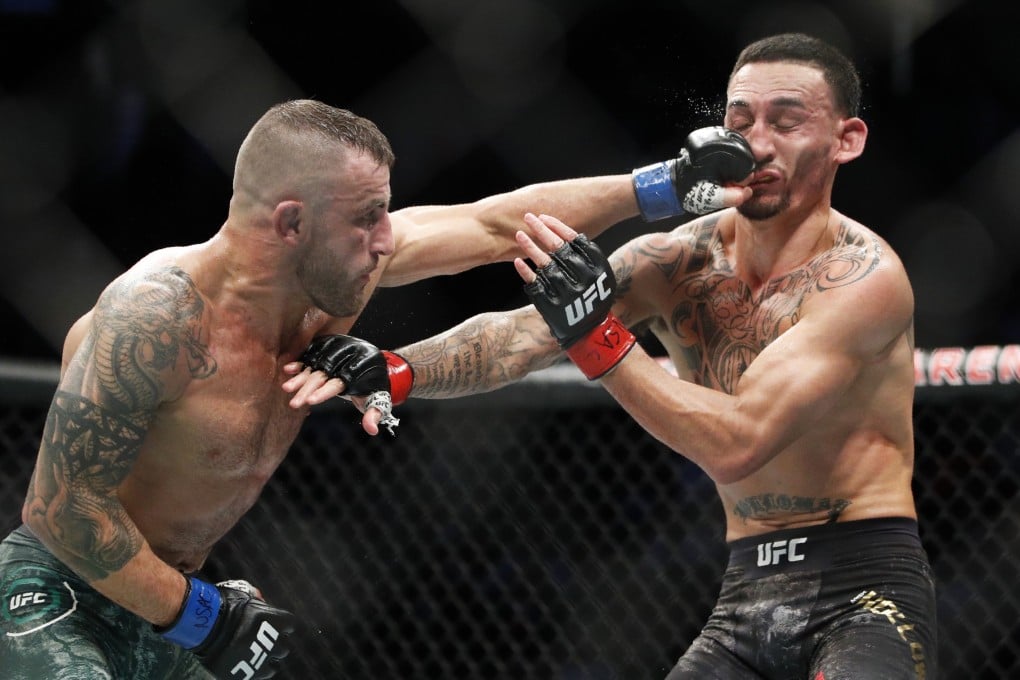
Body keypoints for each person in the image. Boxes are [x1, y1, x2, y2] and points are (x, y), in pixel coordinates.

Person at [0, 99, 748, 679]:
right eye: (366, 219)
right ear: (291, 224)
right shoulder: (156, 318)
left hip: (169, 600)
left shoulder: (334, 279)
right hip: (62, 591)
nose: (387, 240)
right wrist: (204, 618)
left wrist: (667, 185)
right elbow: (62, 508)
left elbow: (495, 224)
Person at [288, 34, 938, 679]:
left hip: (864, 591)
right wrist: (397, 369)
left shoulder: (864, 280)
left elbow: (741, 441)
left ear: (847, 140)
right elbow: (521, 337)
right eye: (740, 122)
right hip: (745, 594)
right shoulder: (677, 260)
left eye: (786, 122)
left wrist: (594, 335)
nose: (756, 144)